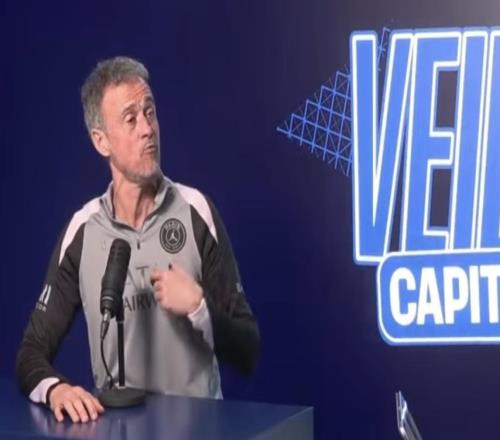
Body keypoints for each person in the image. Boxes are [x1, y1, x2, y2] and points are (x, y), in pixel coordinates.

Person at [16, 56, 260, 424]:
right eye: (130, 119)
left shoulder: (197, 211)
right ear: (101, 141)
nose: (147, 129)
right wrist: (56, 389)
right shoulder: (82, 231)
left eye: (150, 112)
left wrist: (199, 307)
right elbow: (31, 353)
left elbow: (247, 349)